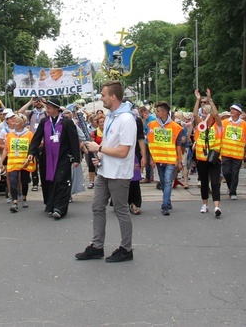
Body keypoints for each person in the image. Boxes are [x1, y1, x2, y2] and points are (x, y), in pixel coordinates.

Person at [76, 80, 137, 263]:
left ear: (113, 96)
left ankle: (126, 249)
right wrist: (100, 155)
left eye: (103, 95)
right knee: (97, 207)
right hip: (105, 170)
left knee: (120, 210)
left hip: (118, 173)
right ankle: (97, 246)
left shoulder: (127, 119)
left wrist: (100, 149)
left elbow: (124, 151)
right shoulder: (111, 116)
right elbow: (111, 144)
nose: (101, 98)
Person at [27, 98, 80, 219]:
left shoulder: (66, 122)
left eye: (49, 107)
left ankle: (60, 208)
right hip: (47, 157)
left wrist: (76, 158)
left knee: (61, 180)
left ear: (56, 108)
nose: (47, 109)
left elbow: (74, 141)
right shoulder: (44, 121)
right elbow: (36, 138)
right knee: (49, 180)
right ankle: (51, 205)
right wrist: (32, 152)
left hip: (63, 157)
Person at [147, 101, 183, 216]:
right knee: (163, 182)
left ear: (165, 112)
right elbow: (150, 143)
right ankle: (168, 200)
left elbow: (178, 145)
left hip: (170, 159)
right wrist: (152, 158)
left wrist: (179, 160)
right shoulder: (152, 125)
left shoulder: (175, 127)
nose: (156, 113)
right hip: (158, 158)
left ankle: (164, 205)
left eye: (157, 111)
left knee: (168, 181)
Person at [192, 89, 223, 217]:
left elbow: (216, 114)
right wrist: (198, 100)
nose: (206, 116)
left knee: (215, 182)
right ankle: (205, 204)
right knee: (204, 182)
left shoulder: (218, 125)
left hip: (215, 158)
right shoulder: (201, 126)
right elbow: (194, 115)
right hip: (202, 158)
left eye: (207, 114)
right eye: (204, 114)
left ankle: (216, 207)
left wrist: (210, 99)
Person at [1, 111, 35, 212]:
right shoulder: (9, 135)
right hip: (13, 162)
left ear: (23, 123)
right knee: (13, 181)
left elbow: (32, 149)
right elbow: (6, 149)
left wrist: (29, 160)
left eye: (16, 122)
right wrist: (2, 161)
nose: (14, 123)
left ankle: (24, 197)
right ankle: (14, 201)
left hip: (25, 162)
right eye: (13, 122)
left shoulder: (29, 134)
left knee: (24, 181)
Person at [221, 103, 246, 200]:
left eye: (234, 109)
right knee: (226, 172)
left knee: (235, 173)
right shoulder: (224, 122)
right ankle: (230, 187)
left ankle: (233, 192)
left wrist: (244, 151)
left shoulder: (244, 125)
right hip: (226, 152)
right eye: (231, 109)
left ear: (239, 112)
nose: (232, 111)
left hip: (237, 154)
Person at [18, 96, 47, 191]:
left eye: (39, 101)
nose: (38, 102)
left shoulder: (46, 112)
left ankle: (44, 181)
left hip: (44, 142)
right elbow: (19, 112)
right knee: (33, 163)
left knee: (44, 163)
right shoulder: (30, 113)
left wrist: (45, 103)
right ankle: (35, 183)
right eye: (36, 101)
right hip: (33, 142)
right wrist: (30, 102)